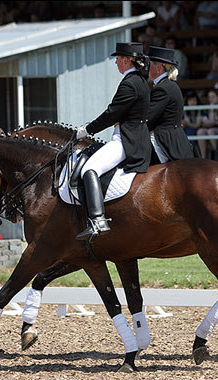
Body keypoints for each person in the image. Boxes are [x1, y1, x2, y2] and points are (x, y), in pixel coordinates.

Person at [74, 42, 151, 241]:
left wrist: (87, 130)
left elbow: (112, 113)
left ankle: (98, 219)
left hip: (126, 139)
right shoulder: (141, 81)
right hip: (136, 137)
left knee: (88, 169)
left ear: (126, 60)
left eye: (118, 59)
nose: (116, 63)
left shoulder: (129, 83)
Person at [146, 46, 194, 164]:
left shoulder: (163, 88)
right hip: (175, 138)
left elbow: (148, 118)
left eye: (150, 64)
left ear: (158, 67)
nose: (147, 68)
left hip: (164, 141)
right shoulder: (169, 85)